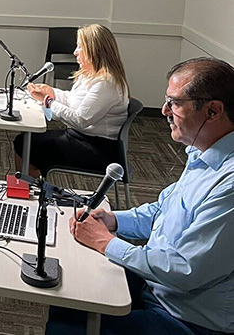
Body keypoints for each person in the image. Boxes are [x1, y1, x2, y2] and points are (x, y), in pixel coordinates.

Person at [47, 57, 234, 335]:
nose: (163, 111)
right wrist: (113, 221)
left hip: (186, 319)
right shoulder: (203, 153)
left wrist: (105, 242)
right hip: (157, 287)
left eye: (174, 103)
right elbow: (162, 211)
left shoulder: (228, 184)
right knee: (68, 288)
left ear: (213, 111)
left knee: (69, 328)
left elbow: (185, 271)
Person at [14, 24, 129, 177]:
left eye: (80, 47)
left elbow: (80, 119)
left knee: (24, 143)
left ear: (94, 51)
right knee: (26, 140)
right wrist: (51, 92)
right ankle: (34, 185)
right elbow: (73, 100)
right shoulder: (89, 74)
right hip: (80, 137)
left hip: (97, 149)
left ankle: (31, 189)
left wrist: (48, 101)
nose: (75, 53)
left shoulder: (106, 82)